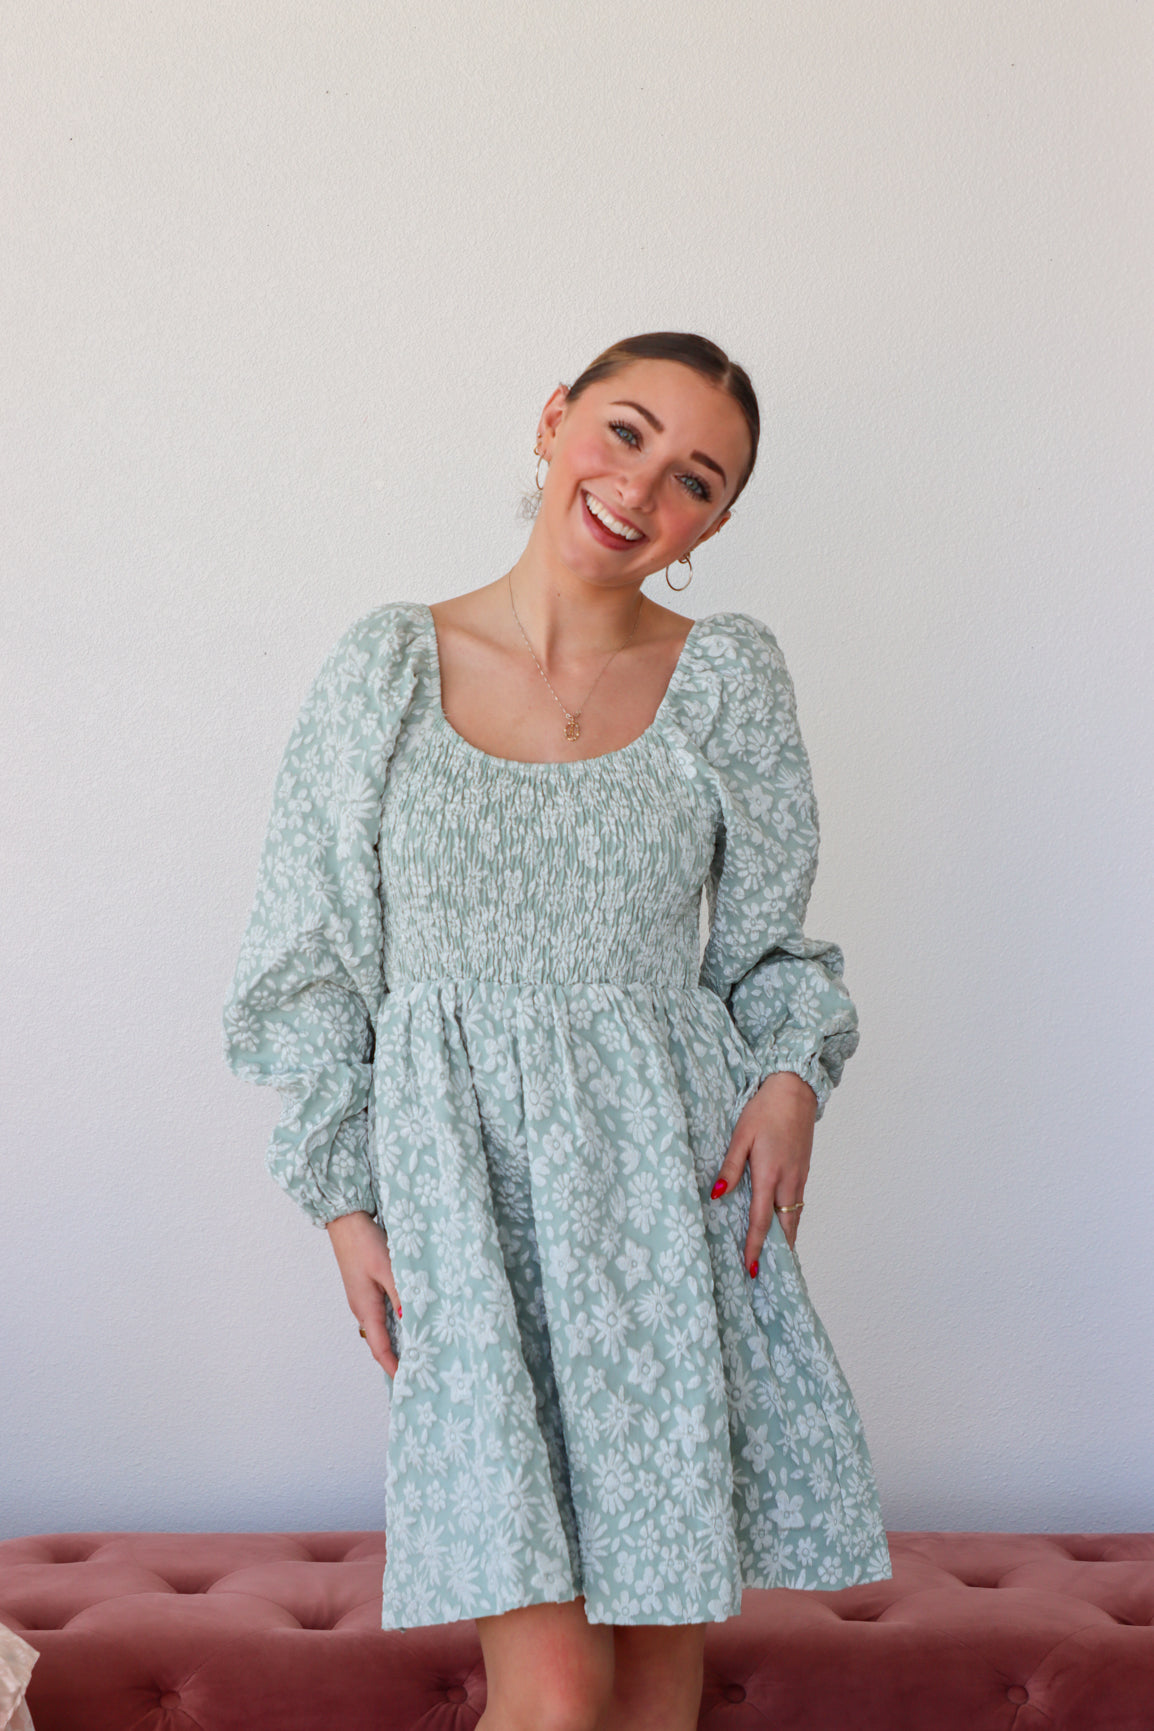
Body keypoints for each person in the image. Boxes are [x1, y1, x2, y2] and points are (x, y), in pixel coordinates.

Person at [222, 331, 892, 1731]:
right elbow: (304, 967)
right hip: (461, 1210)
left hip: (669, 1198)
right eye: (626, 432)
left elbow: (769, 951)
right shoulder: (386, 668)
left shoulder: (726, 681)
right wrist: (346, 1205)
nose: (643, 488)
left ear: (714, 523)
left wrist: (789, 1080)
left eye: (696, 479)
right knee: (549, 1689)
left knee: (652, 1679)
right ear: (552, 419)